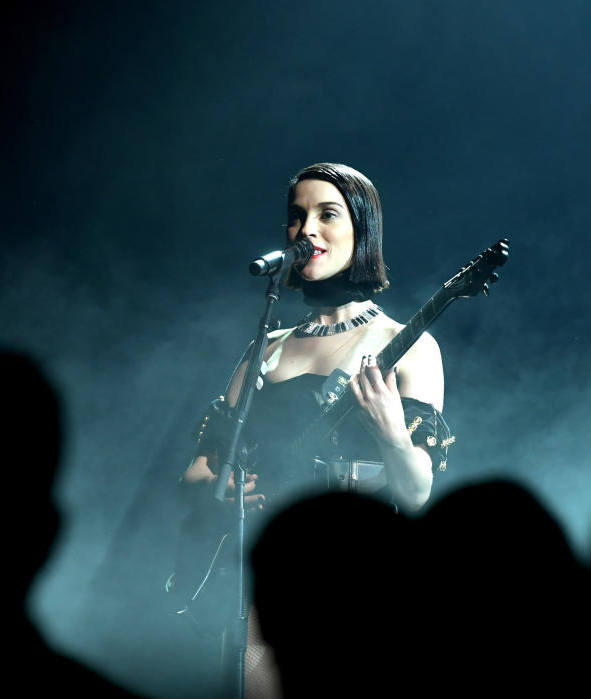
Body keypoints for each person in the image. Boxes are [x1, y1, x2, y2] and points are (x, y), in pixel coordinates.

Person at [176, 163, 452, 697]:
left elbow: (417, 495)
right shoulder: (268, 345)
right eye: (297, 217)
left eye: (328, 214)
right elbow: (198, 469)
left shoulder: (408, 343)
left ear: (363, 230)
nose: (307, 230)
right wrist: (219, 488)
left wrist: (392, 433)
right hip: (266, 577)